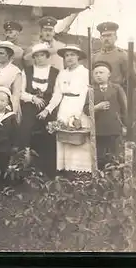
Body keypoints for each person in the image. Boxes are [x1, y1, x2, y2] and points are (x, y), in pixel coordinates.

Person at [39, 45, 93, 174]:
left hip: (79, 106)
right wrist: (48, 109)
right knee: (64, 136)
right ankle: (65, 170)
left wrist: (77, 115)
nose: (69, 58)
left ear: (78, 57)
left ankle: (81, 172)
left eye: (72, 55)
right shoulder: (62, 73)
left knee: (78, 136)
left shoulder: (85, 73)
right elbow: (57, 94)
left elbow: (85, 94)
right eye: (67, 55)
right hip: (64, 107)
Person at [19, 43, 60, 178]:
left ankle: (49, 171)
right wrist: (32, 98)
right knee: (25, 131)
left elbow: (56, 95)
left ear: (47, 56)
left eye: (42, 55)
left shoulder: (55, 72)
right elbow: (20, 92)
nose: (39, 59)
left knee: (50, 134)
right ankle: (25, 169)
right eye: (36, 56)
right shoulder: (27, 71)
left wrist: (47, 110)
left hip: (49, 108)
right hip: (30, 105)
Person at [90, 61, 127, 170]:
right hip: (97, 130)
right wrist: (96, 107)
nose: (98, 75)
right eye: (96, 73)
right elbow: (85, 109)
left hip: (114, 129)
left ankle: (115, 182)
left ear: (109, 74)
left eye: (101, 72)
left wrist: (125, 126)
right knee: (99, 158)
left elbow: (124, 108)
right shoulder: (90, 90)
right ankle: (101, 181)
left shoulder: (117, 88)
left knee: (114, 157)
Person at [92, 21, 136, 92]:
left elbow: (133, 80)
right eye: (104, 36)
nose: (106, 39)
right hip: (98, 95)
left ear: (116, 37)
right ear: (100, 38)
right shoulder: (95, 56)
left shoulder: (123, 55)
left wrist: (120, 92)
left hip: (116, 95)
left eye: (109, 35)